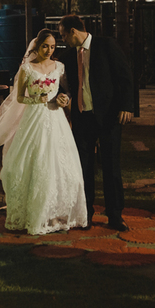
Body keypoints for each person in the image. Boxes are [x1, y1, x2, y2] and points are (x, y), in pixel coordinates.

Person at [0, 29, 88, 235]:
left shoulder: (59, 67)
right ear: (37, 46)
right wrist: (36, 99)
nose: (49, 50)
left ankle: (55, 212)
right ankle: (34, 212)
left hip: (55, 118)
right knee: (32, 163)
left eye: (52, 47)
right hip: (34, 118)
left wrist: (64, 99)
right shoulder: (27, 69)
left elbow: (66, 90)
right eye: (45, 46)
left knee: (58, 163)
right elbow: (19, 97)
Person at [59, 14, 135, 231]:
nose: (63, 40)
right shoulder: (68, 56)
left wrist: (127, 106)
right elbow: (64, 84)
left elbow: (125, 76)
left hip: (108, 116)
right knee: (83, 167)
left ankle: (115, 215)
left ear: (73, 31)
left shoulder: (106, 45)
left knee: (111, 166)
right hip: (82, 118)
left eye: (64, 35)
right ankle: (86, 214)